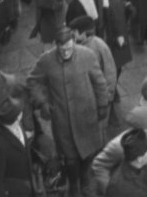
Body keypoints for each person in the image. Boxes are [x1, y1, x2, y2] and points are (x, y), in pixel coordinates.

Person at [28, 26, 111, 197]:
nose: (66, 52)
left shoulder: (87, 55)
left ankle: (85, 181)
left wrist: (103, 104)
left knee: (88, 155)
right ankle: (74, 185)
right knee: (71, 160)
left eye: (69, 48)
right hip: (63, 122)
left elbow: (100, 82)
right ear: (56, 45)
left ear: (74, 42)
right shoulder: (46, 61)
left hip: (87, 119)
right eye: (62, 49)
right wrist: (42, 103)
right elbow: (32, 82)